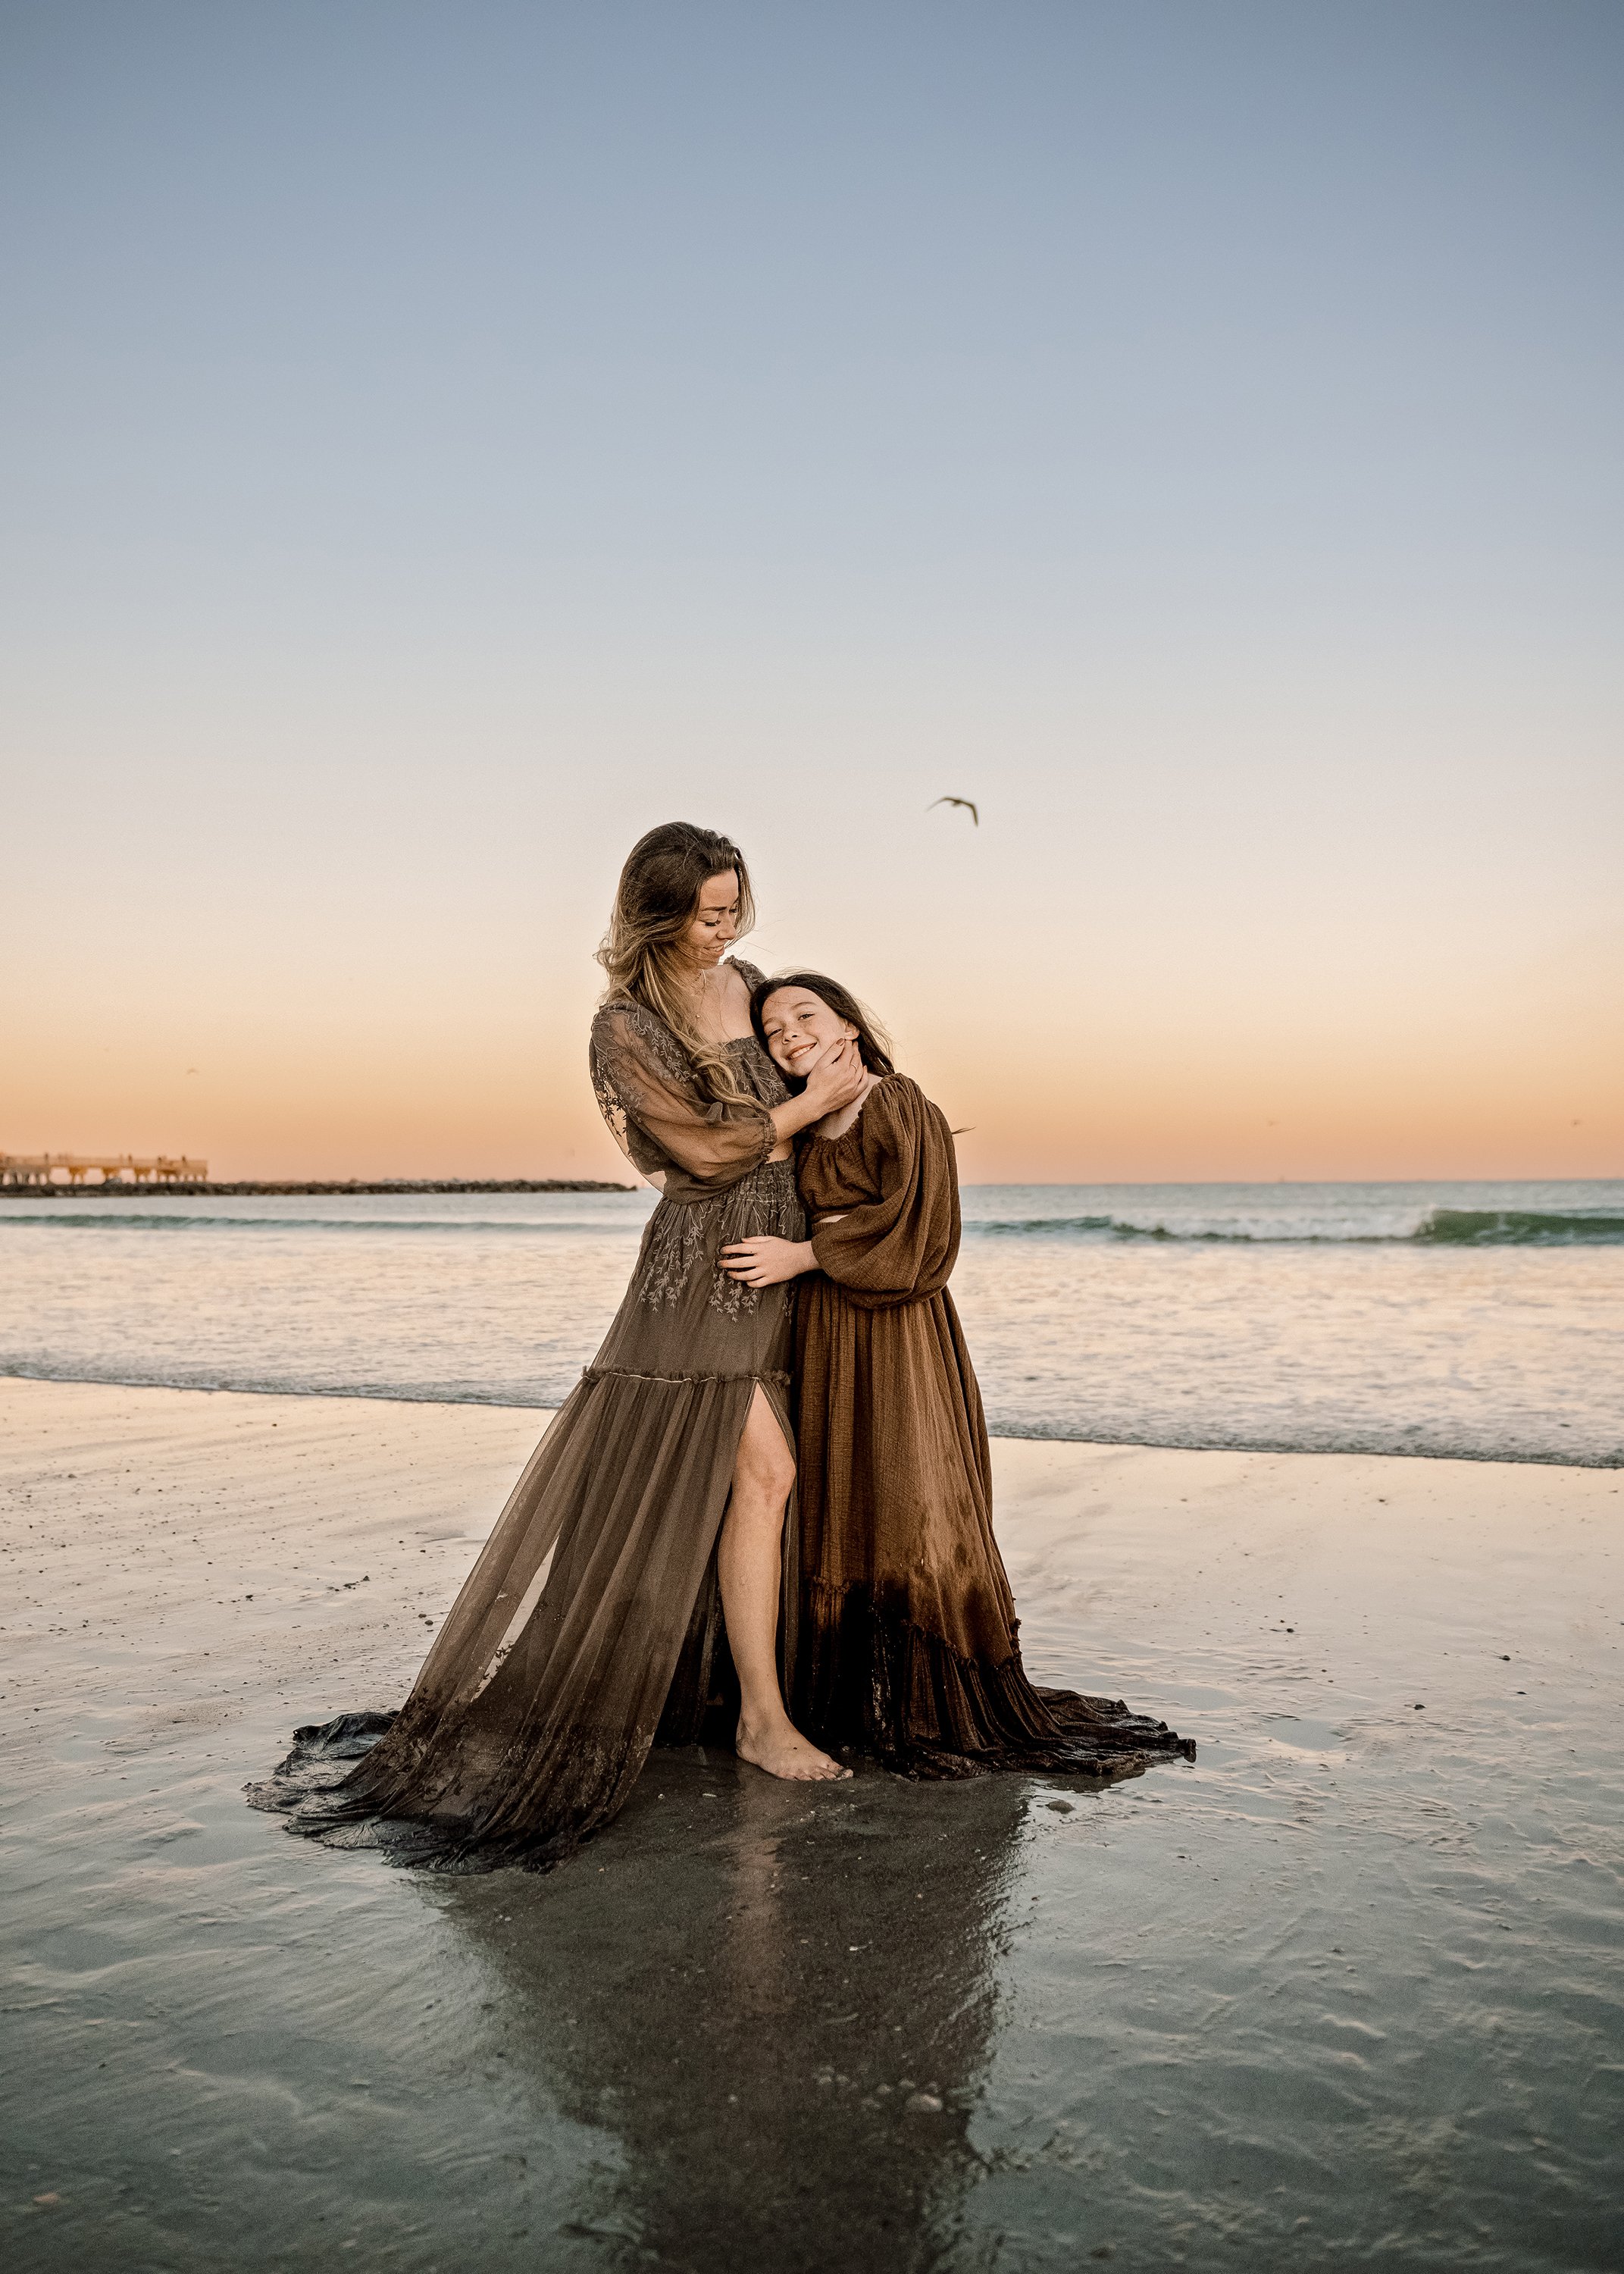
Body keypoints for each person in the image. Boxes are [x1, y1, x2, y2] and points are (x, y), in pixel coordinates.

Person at [249, 826, 862, 1872]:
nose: (729, 929)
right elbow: (698, 1152)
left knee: (752, 1485)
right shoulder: (621, 1024)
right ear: (657, 915)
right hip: (704, 1268)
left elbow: (835, 1068)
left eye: (735, 908)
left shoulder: (754, 984)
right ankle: (760, 1720)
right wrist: (805, 1108)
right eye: (710, 913)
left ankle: (731, 1696)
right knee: (765, 1472)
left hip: (781, 1254)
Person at [721, 973, 1194, 1778]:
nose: (788, 1034)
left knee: (909, 1497)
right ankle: (851, 1696)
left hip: (894, 1329)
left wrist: (802, 1256)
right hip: (827, 1329)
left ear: (848, 1024)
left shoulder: (898, 1103)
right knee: (846, 1496)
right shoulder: (806, 1123)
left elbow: (925, 1237)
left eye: (805, 1015)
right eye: (771, 1030)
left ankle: (919, 1697)